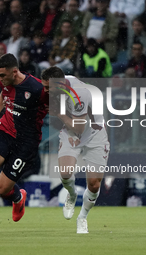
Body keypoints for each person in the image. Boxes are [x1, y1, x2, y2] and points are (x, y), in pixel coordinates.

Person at [0, 53, 48, 235]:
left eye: (2, 75)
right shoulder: (6, 81)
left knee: (1, 188)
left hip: (26, 143)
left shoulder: (37, 88)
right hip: (5, 132)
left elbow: (57, 105)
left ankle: (18, 197)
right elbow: (4, 93)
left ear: (15, 72)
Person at [41, 66, 110, 234]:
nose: (45, 91)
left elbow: (78, 128)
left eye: (48, 88)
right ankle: (72, 195)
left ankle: (82, 217)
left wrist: (58, 114)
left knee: (93, 184)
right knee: (65, 173)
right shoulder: (59, 83)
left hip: (94, 133)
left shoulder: (79, 94)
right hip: (70, 131)